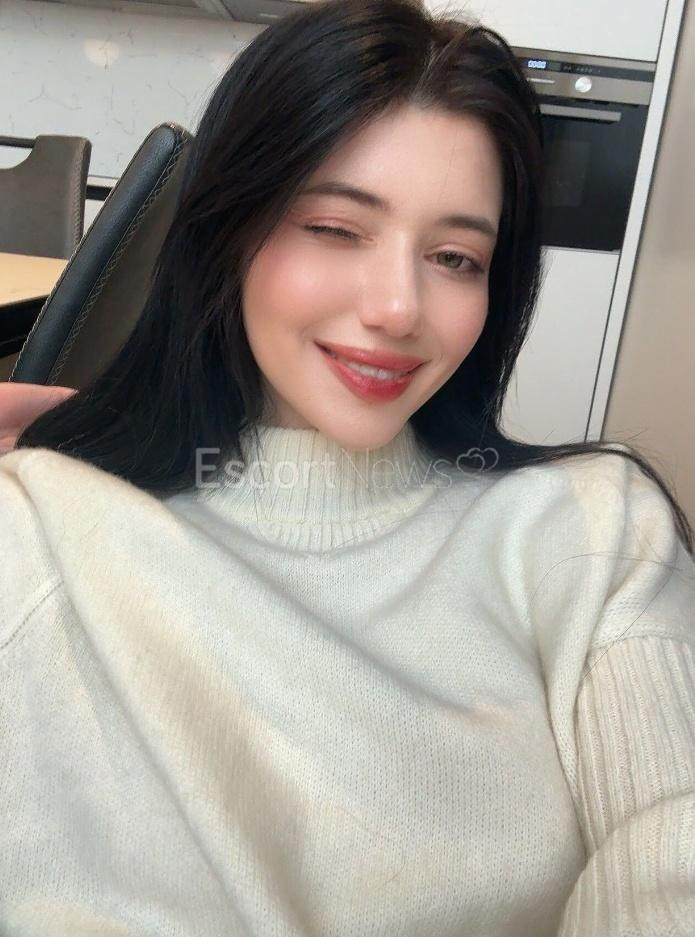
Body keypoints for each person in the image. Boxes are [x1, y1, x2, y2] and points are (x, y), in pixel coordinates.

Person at [1, 1, 694, 934]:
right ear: (227, 232)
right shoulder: (40, 528)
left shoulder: (593, 528)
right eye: (334, 227)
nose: (398, 307)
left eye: (455, 256)